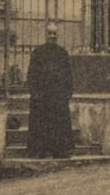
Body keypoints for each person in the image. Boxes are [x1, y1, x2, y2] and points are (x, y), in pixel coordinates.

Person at [25, 23, 75, 158]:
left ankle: (60, 150)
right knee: (40, 123)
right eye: (50, 33)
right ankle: (39, 151)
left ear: (57, 35)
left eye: (54, 33)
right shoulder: (38, 52)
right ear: (45, 35)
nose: (52, 36)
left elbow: (68, 74)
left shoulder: (62, 53)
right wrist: (34, 92)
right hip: (42, 95)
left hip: (58, 95)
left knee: (58, 123)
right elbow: (32, 74)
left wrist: (68, 91)